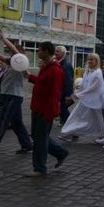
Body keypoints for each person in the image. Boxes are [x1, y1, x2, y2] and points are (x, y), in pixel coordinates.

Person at [26, 41, 69, 176]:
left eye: (39, 50)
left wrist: (52, 112)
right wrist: (30, 77)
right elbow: (41, 83)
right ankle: (61, 152)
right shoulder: (46, 67)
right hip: (37, 107)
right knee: (37, 135)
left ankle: (40, 168)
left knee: (40, 138)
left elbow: (55, 93)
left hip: (45, 110)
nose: (38, 52)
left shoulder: (55, 70)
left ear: (46, 52)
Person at [59, 53, 104, 140]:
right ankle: (67, 133)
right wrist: (74, 94)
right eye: (89, 59)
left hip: (95, 101)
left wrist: (77, 95)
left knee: (97, 120)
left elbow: (91, 88)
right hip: (85, 100)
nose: (90, 61)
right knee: (75, 115)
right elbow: (82, 85)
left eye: (92, 60)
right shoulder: (87, 72)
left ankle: (102, 134)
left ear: (97, 61)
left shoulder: (98, 73)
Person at [0, 29, 33, 153]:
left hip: (12, 96)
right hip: (8, 95)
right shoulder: (11, 61)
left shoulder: (21, 62)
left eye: (12, 52)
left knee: (1, 121)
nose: (10, 53)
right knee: (16, 122)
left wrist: (3, 38)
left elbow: (13, 49)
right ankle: (27, 144)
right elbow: (0, 55)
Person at [55, 46, 74, 126]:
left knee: (63, 109)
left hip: (64, 93)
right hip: (60, 92)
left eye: (57, 51)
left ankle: (70, 126)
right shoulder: (59, 63)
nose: (55, 53)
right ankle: (63, 122)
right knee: (62, 109)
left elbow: (68, 81)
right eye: (55, 51)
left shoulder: (66, 65)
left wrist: (68, 95)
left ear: (63, 53)